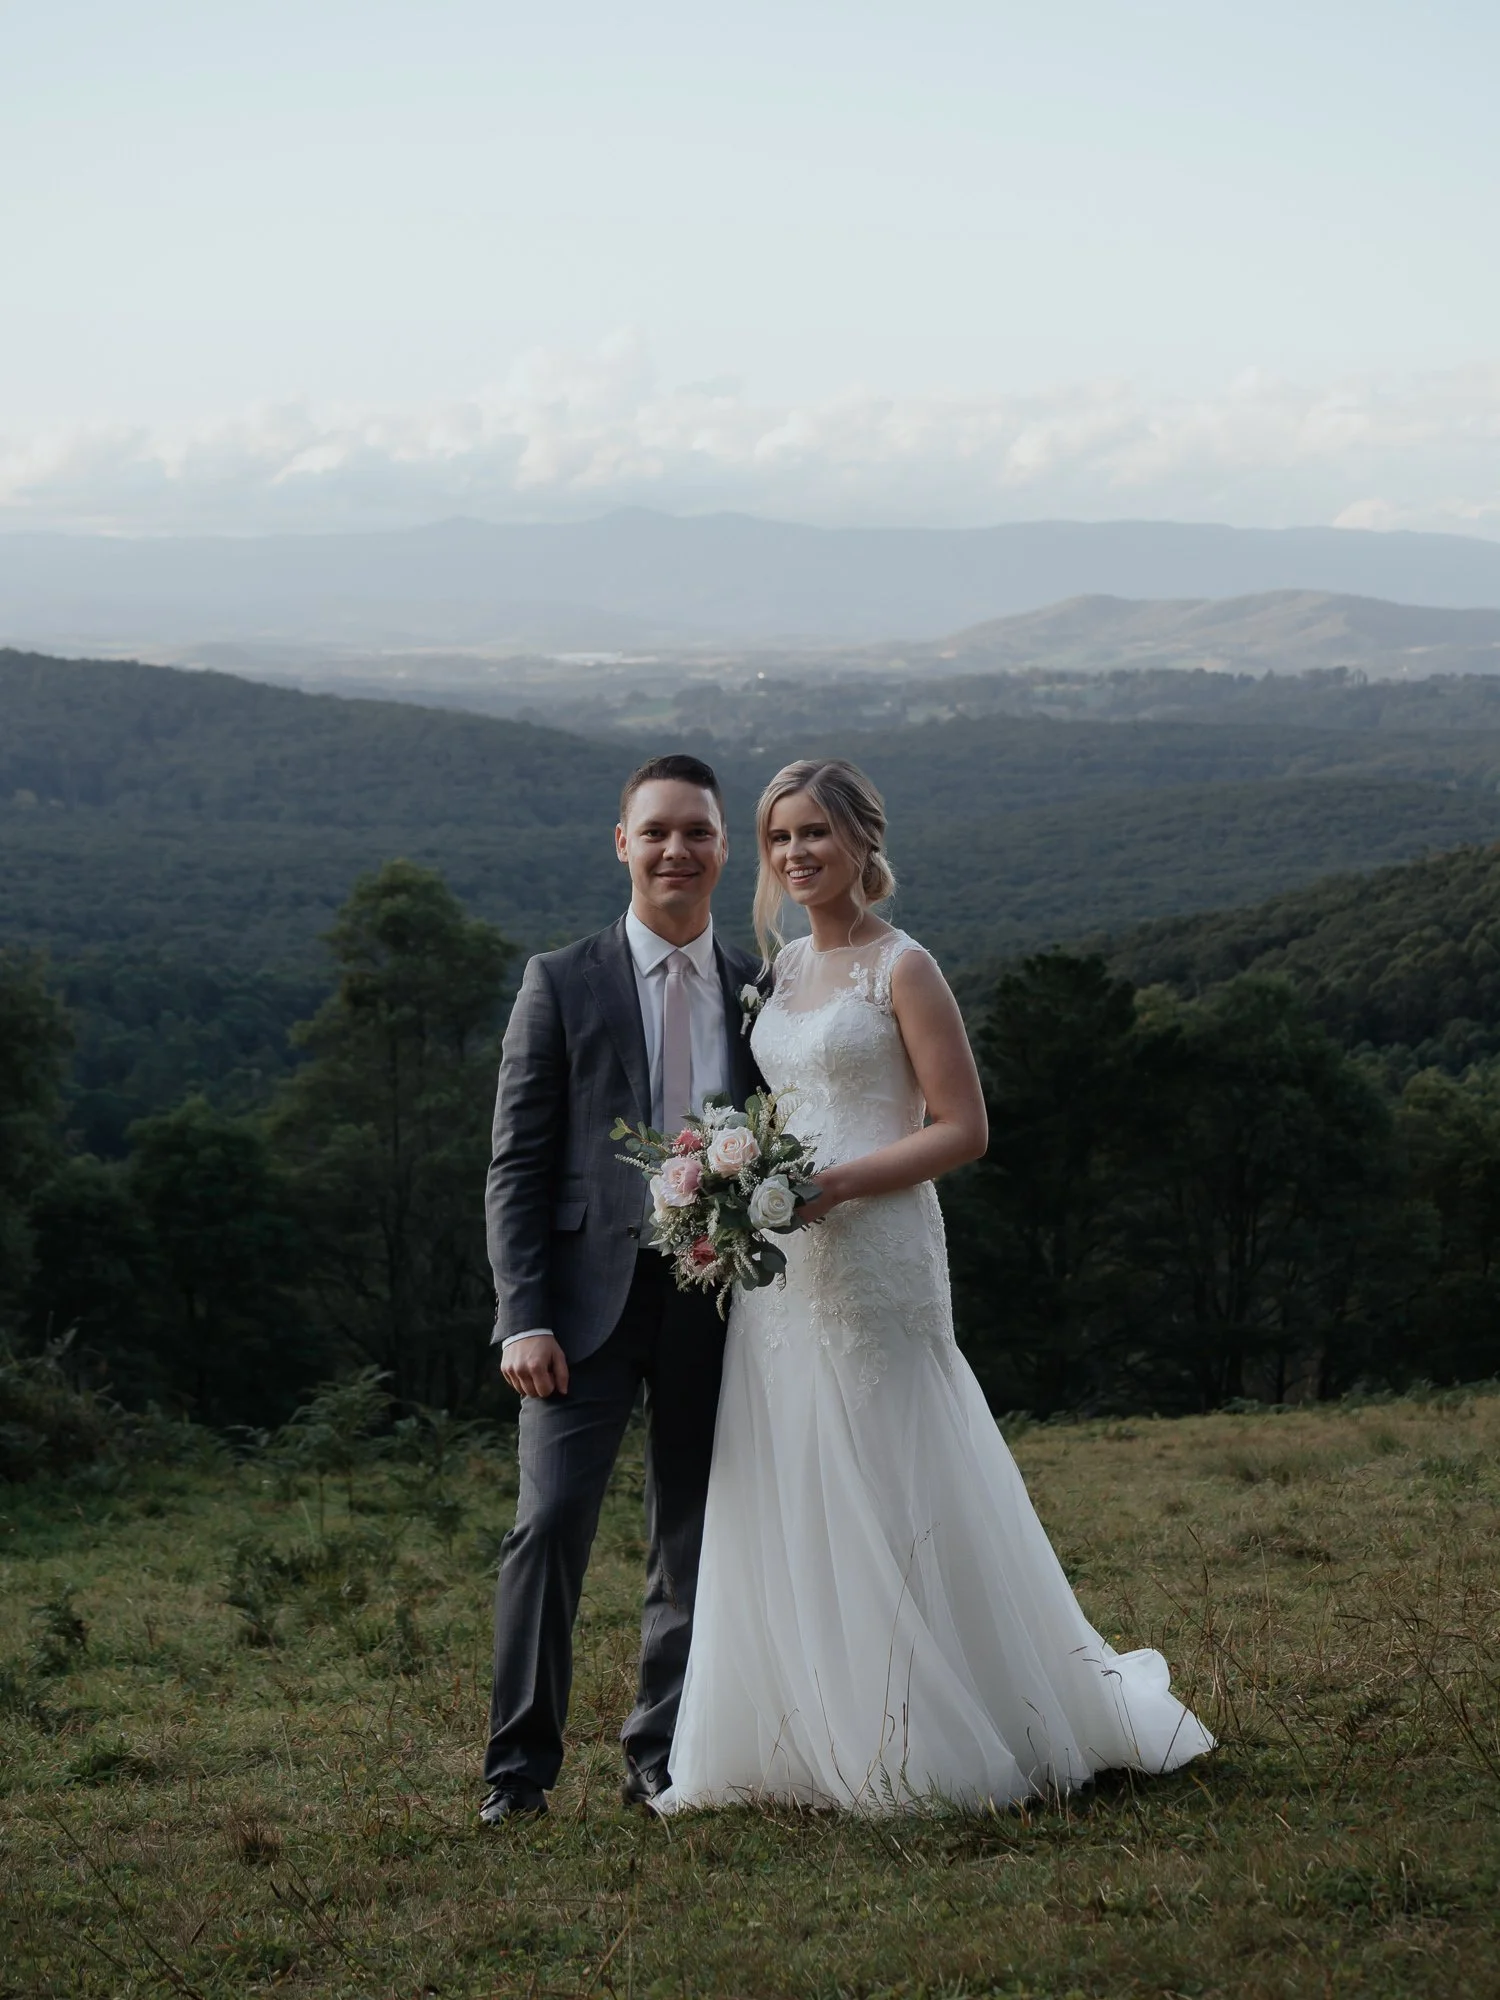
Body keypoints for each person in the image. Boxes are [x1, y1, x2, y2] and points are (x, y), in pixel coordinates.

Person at [657, 758, 1214, 1813]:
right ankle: (806, 1729)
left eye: (815, 832)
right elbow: (782, 1112)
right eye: (779, 839)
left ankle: (941, 1722)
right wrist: (746, 1183)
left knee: (888, 1457)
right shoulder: (776, 977)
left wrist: (835, 1185)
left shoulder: (903, 967)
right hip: (785, 1259)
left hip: (877, 1249)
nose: (795, 855)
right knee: (792, 1462)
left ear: (865, 839)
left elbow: (965, 1128)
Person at [481, 753, 763, 1823]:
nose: (676, 849)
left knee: (691, 1533)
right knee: (549, 1522)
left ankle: (659, 1755)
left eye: (697, 830)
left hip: (715, 1294)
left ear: (723, 847)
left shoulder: (755, 986)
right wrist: (525, 1313)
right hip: (580, 1307)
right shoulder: (560, 979)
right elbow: (516, 1161)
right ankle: (517, 1773)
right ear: (622, 843)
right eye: (656, 831)